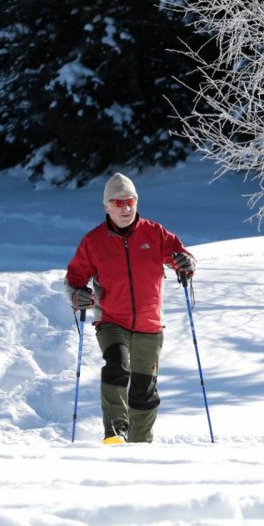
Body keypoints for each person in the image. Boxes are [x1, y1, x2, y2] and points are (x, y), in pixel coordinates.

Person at [65, 172, 196, 444]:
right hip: (111, 320)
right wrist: (77, 294)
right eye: (118, 203)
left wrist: (186, 264)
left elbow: (181, 256)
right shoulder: (94, 241)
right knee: (116, 366)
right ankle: (114, 433)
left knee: (143, 389)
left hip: (150, 323)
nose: (125, 208)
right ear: (106, 206)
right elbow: (75, 278)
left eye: (130, 201)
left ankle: (140, 444)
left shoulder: (155, 233)